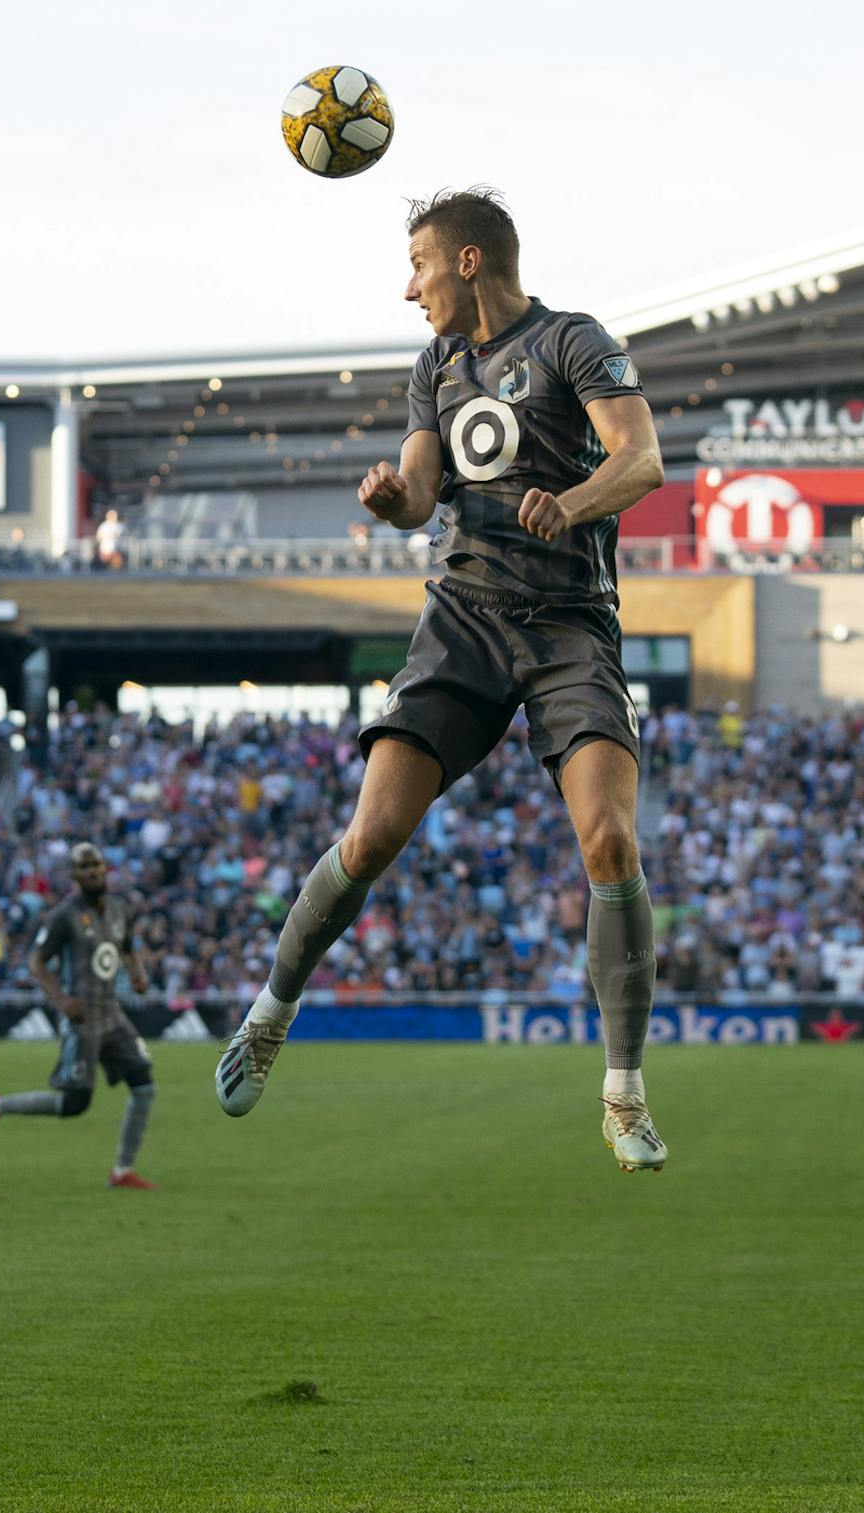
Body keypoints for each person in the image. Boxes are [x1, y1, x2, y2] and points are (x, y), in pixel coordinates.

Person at [214, 186, 671, 1173]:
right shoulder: (437, 366)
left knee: (610, 836)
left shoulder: (573, 341)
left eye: (418, 265)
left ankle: (624, 1093)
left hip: (568, 628)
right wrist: (390, 498)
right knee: (371, 835)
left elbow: (643, 462)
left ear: (467, 261)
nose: (408, 286)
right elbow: (423, 491)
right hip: (462, 620)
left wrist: (575, 501)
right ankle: (268, 1014)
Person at [0, 842, 157, 1189]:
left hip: (112, 1012)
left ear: (105, 867)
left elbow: (127, 947)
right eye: (84, 867)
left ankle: (122, 1170)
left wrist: (138, 973)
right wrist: (62, 1000)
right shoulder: (64, 916)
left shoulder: (119, 908)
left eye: (97, 864)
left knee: (144, 1086)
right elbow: (36, 963)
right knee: (74, 1104)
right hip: (81, 1017)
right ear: (74, 876)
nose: (93, 871)